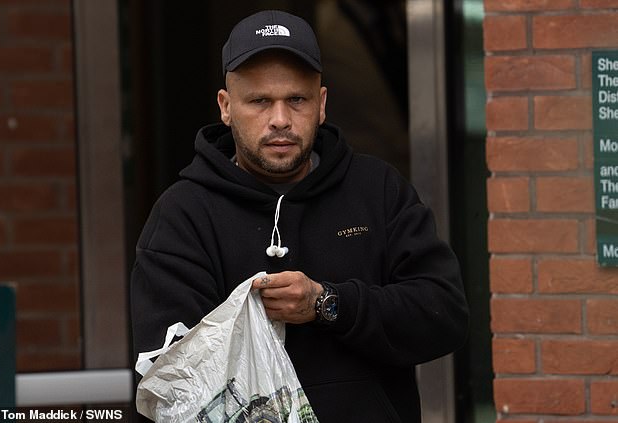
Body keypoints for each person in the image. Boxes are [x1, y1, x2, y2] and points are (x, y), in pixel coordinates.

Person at [131, 9, 469, 422]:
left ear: (321, 104)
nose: (280, 120)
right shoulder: (182, 214)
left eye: (297, 100)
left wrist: (327, 302)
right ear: (225, 106)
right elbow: (172, 382)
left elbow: (444, 315)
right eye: (259, 101)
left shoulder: (377, 190)